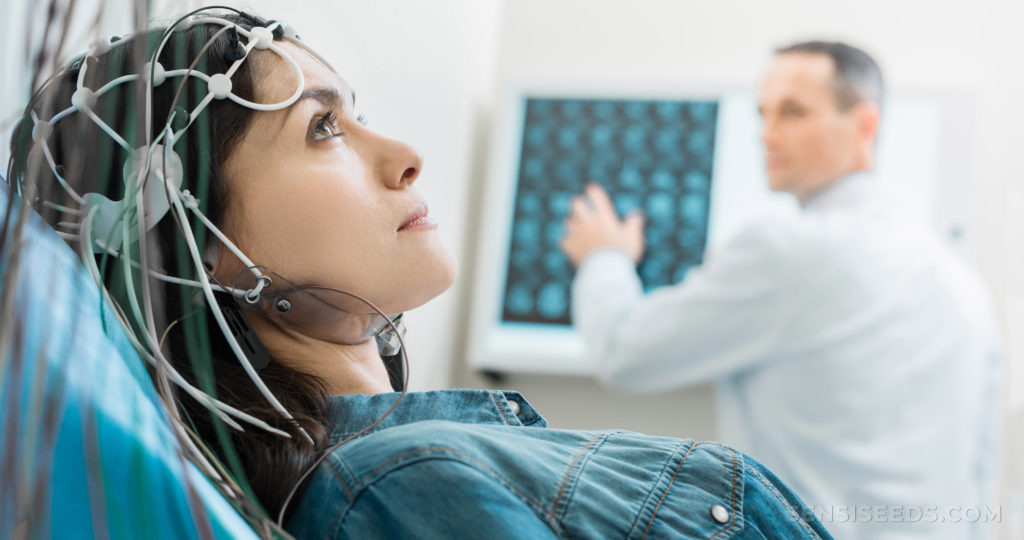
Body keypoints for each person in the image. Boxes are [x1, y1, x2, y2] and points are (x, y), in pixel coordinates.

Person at [5, 8, 834, 539]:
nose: (405, 157)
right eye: (323, 128)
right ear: (200, 247)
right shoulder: (398, 485)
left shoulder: (429, 463)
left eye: (356, 114)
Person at [561, 42, 1002, 539]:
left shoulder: (787, 250)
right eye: (762, 114)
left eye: (793, 112)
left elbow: (624, 352)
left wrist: (604, 257)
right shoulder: (962, 282)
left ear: (864, 125)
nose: (767, 135)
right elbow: (981, 473)